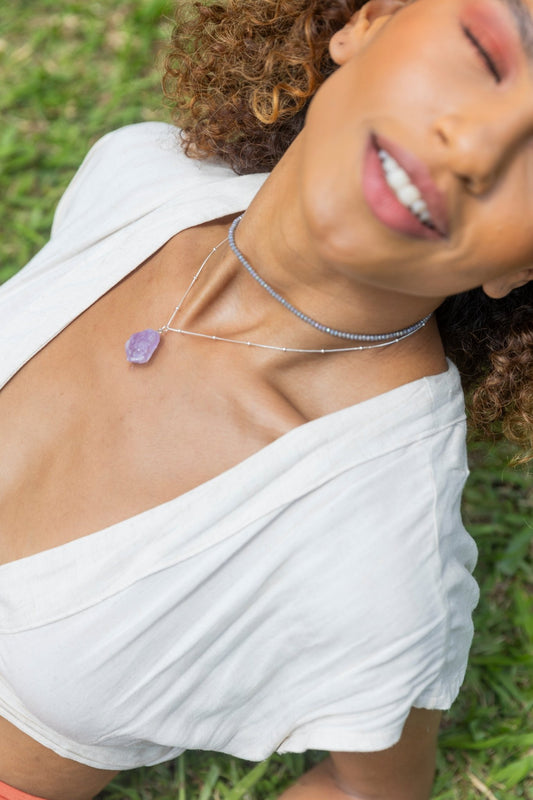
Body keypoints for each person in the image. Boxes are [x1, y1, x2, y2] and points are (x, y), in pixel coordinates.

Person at [1, 0, 532, 798]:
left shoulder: (378, 550)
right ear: (367, 22)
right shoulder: (143, 173)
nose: (475, 148)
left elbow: (367, 790)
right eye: (486, 53)